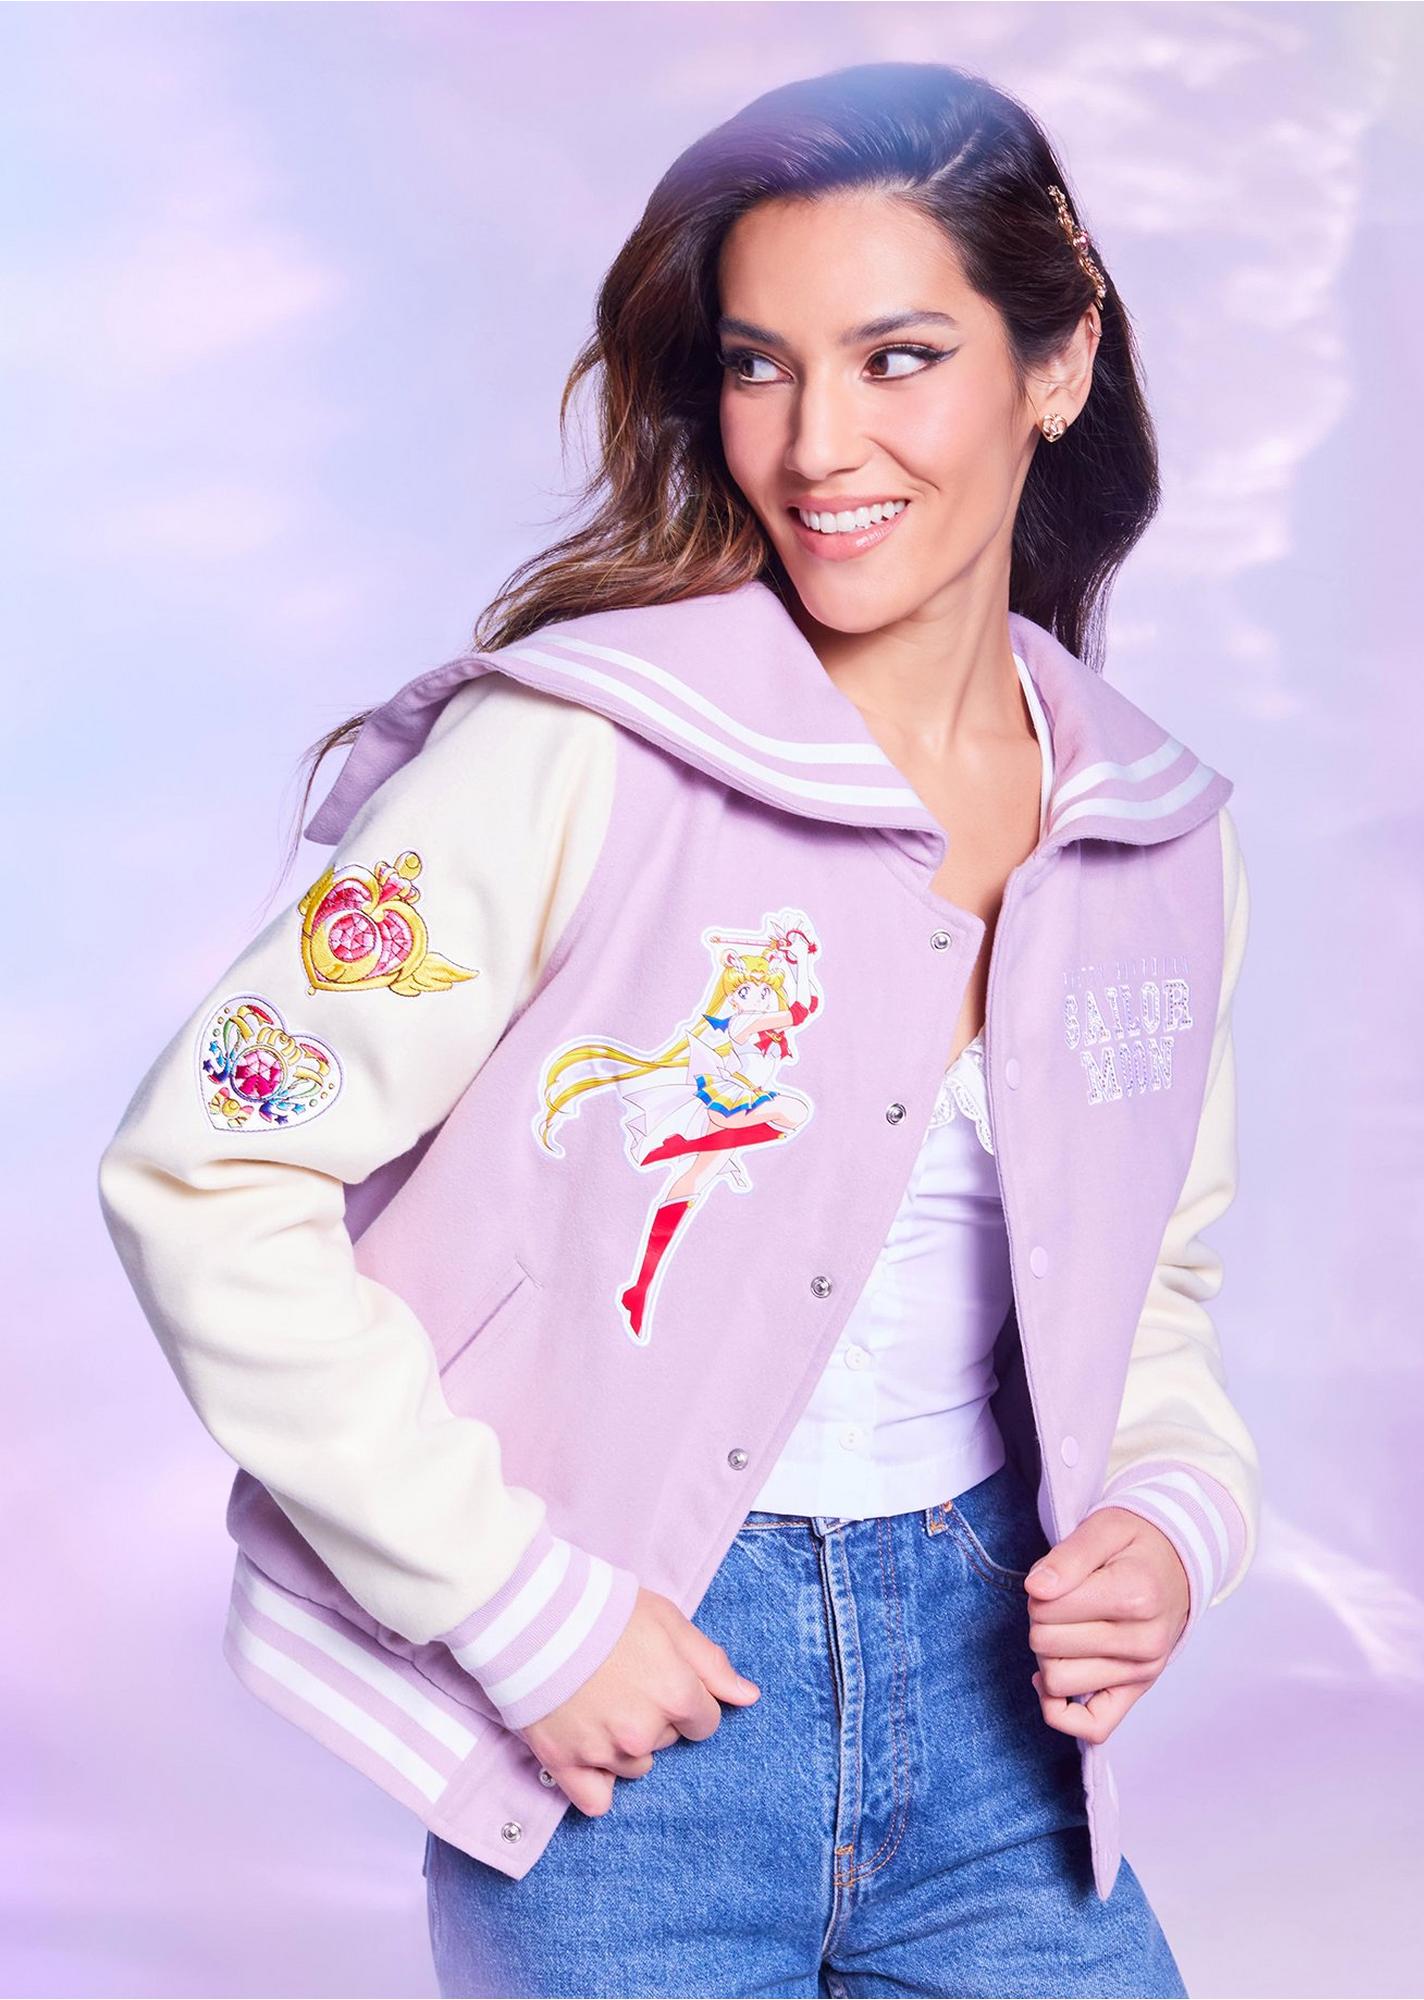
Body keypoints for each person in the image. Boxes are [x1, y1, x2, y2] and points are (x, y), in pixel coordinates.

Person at [98, 58, 1260, 2000]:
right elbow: (206, 1170)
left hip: (1006, 1753)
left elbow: (1155, 1289)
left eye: (897, 358)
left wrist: (1167, 1514)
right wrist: (516, 1608)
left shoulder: (1152, 832)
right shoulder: (572, 752)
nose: (815, 444)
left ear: (1055, 365)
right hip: (629, 1754)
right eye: (757, 366)